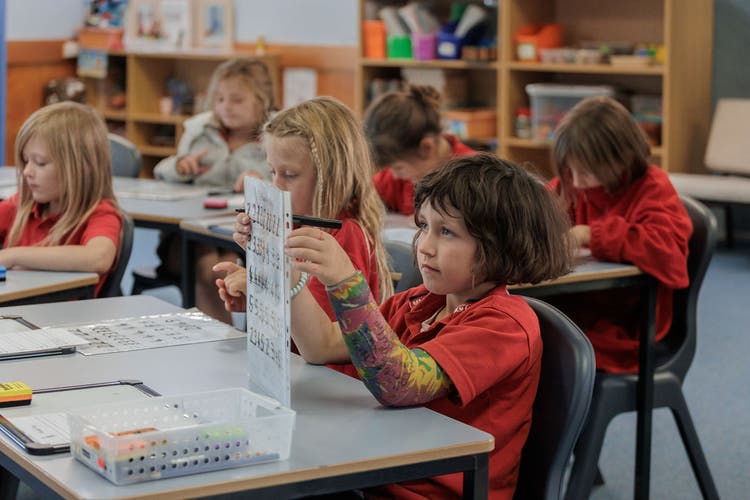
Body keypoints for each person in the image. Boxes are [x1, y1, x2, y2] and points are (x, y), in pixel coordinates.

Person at [219, 153, 574, 498]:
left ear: (503, 246)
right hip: (376, 472)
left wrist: (346, 283)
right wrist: (284, 273)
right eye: (424, 226)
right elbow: (321, 345)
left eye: (447, 233)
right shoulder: (419, 302)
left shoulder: (504, 326)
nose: (426, 246)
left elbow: (401, 383)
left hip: (424, 489)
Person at [214, 97, 394, 366]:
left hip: (330, 382)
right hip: (294, 370)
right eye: (272, 171)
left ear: (330, 176)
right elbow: (292, 314)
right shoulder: (302, 225)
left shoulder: (342, 237)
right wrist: (257, 288)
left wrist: (269, 279)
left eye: (289, 174)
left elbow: (319, 336)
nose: (276, 185)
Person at [546, 96, 693, 373]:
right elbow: (539, 209)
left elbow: (670, 256)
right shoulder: (575, 184)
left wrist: (590, 233)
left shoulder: (652, 187)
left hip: (626, 325)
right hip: (574, 307)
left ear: (620, 159)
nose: (576, 181)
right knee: (509, 327)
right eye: (570, 170)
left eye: (586, 172)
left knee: (533, 340)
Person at [153, 58, 276, 322]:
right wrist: (181, 166)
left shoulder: (275, 138)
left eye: (236, 100)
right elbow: (162, 171)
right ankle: (219, 339)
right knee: (209, 265)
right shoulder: (200, 131)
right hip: (187, 235)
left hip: (240, 235)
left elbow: (284, 181)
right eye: (219, 99)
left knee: (224, 262)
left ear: (262, 101)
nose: (225, 107)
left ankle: (227, 339)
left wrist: (260, 180)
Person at [0, 102, 122, 297]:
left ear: (81, 168)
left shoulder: (100, 214)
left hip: (63, 321)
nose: (27, 171)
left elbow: (99, 257)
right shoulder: (22, 205)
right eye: (25, 160)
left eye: (40, 163)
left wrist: (13, 255)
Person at [363, 84, 475, 215]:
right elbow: (360, 198)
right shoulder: (396, 179)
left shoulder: (473, 178)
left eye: (398, 167)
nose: (395, 174)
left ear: (426, 148)